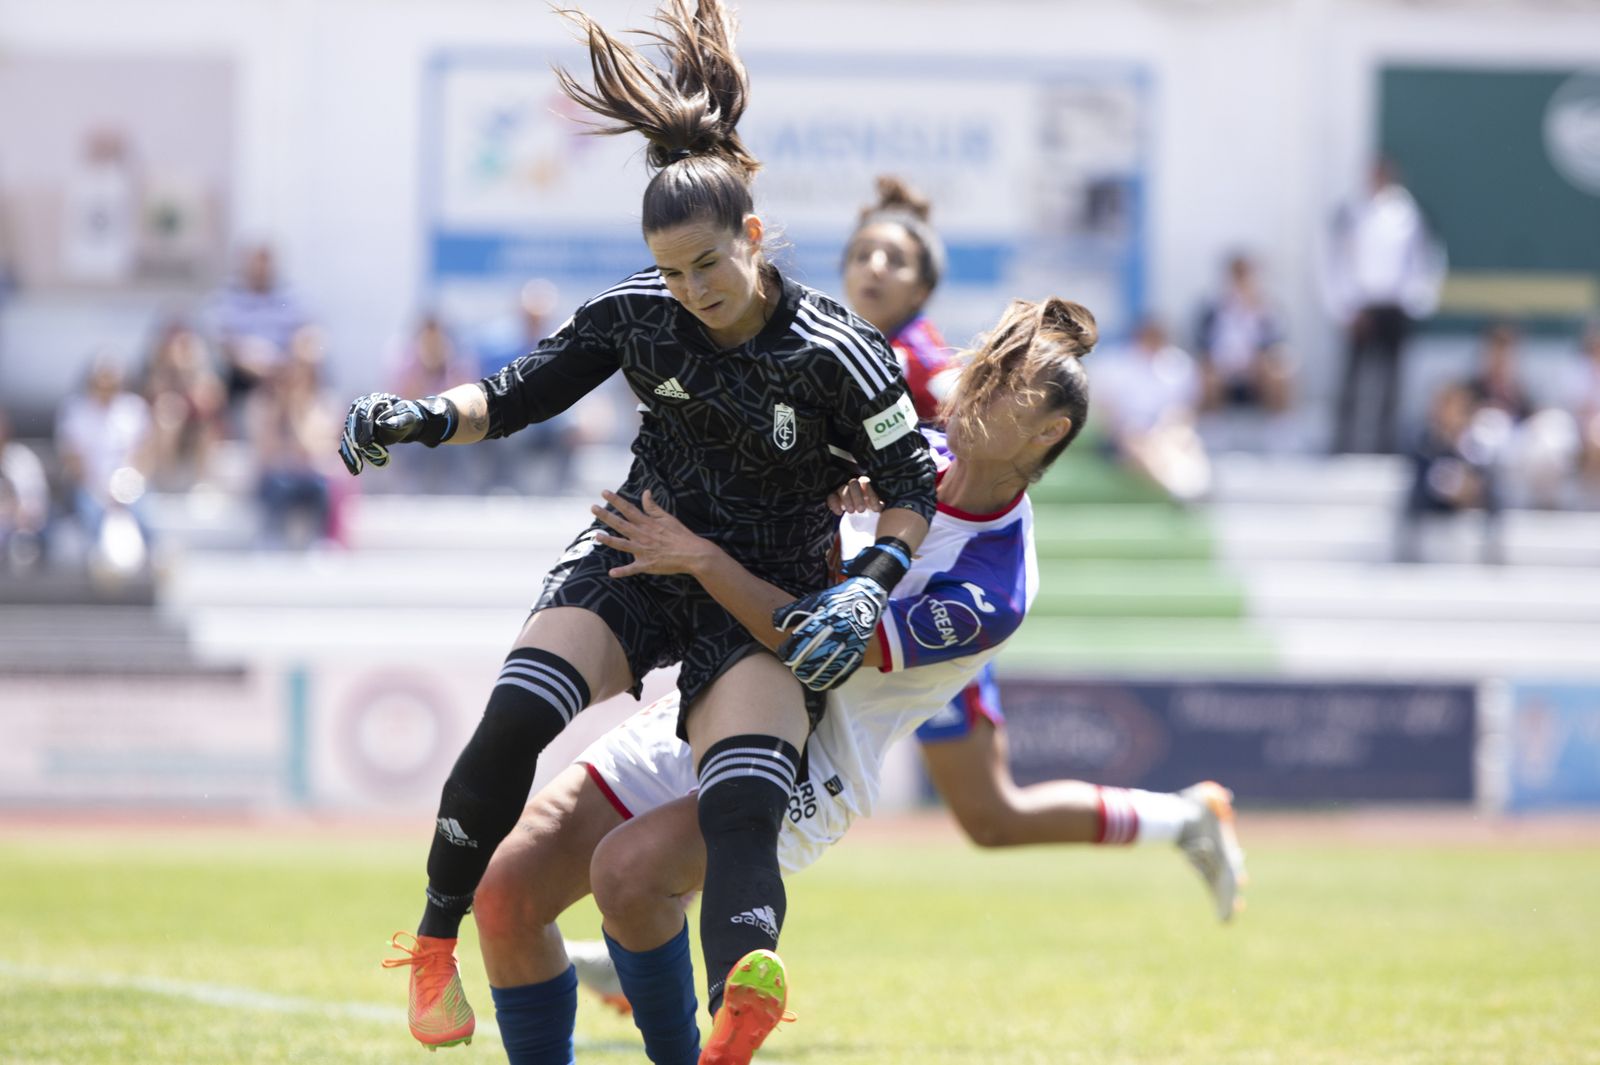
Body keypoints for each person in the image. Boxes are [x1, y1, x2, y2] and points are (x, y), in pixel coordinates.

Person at [345, 0, 937, 1050]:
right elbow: (519, 391)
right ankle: (434, 948)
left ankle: (742, 997)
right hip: (631, 553)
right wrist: (423, 416)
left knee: (742, 801)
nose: (691, 291)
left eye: (709, 264)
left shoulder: (842, 352)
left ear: (752, 237)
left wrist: (865, 582)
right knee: (515, 718)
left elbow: (911, 484)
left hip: (761, 591)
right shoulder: (635, 313)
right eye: (671, 272)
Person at [471, 297, 1244, 1065]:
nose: (983, 384)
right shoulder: (905, 455)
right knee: (505, 894)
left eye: (1012, 384)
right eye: (992, 367)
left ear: (1050, 432)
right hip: (716, 693)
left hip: (815, 756)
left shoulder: (994, 580)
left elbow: (818, 645)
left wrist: (701, 555)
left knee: (630, 873)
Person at [839, 176, 1226, 865]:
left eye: (893, 258)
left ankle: (1182, 818)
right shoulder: (847, 342)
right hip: (885, 577)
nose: (873, 267)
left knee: (989, 815)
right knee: (984, 816)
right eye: (862, 252)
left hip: (930, 597)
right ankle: (647, 923)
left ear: (923, 288)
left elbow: (982, 420)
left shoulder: (922, 364)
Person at [1323, 157, 1447, 455]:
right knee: (1352, 383)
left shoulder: (1408, 214)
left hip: (1394, 307)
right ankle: (1343, 446)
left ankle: (1385, 447)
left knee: (1391, 386)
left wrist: (1416, 299)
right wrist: (1344, 307)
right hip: (1361, 308)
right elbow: (1334, 262)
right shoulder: (1350, 212)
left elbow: (1426, 259)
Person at [1094, 318, 1211, 503]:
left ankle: (1194, 485)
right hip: (1126, 431)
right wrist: (1127, 429)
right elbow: (1106, 410)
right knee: (1138, 443)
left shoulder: (1179, 364)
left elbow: (1185, 409)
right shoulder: (1115, 363)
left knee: (1184, 439)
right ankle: (1176, 489)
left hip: (1166, 429)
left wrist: (1170, 425)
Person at [1194, 252, 1293, 416]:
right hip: (1222, 365)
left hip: (1257, 365)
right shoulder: (1212, 306)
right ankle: (1213, 426)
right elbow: (1201, 339)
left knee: (1279, 371)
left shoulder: (1266, 307)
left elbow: (1277, 339)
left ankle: (1279, 426)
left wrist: (1257, 309)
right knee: (1206, 374)